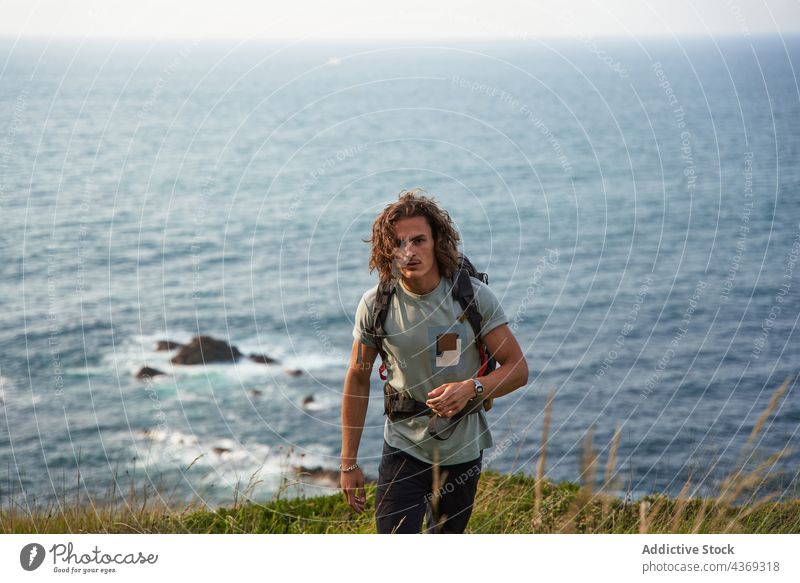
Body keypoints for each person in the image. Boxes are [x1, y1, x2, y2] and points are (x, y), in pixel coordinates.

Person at [340, 188, 529, 533]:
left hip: (462, 453)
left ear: (437, 241)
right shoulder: (375, 305)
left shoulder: (473, 298)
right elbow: (357, 377)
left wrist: (473, 387)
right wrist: (348, 463)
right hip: (402, 448)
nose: (409, 252)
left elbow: (518, 368)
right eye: (398, 244)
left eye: (418, 240)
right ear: (387, 250)